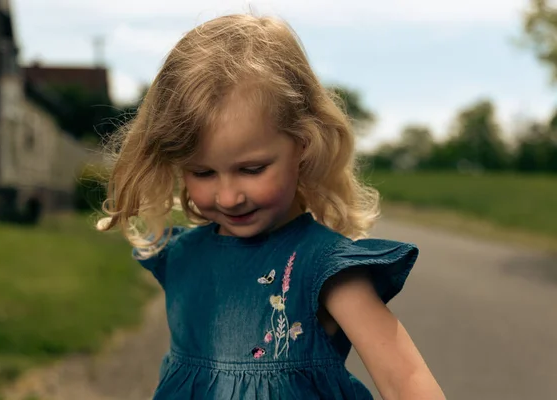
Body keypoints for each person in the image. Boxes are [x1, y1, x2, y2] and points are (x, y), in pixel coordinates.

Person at [98, 13, 445, 400]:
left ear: (303, 144)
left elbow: (406, 380)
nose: (228, 197)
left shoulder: (323, 268)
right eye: (203, 172)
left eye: (252, 169)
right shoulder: (182, 257)